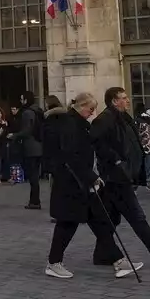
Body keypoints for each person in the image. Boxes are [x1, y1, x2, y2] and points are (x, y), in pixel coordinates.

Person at [43, 92, 139, 280]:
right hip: (71, 182)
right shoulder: (69, 124)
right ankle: (54, 263)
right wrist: (91, 177)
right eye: (90, 109)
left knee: (100, 222)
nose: (92, 113)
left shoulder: (78, 124)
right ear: (80, 106)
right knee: (67, 223)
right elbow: (71, 156)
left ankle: (119, 261)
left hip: (81, 182)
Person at [91, 87, 150, 270]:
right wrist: (116, 161)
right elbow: (97, 142)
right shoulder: (105, 119)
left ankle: (101, 253)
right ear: (114, 101)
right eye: (123, 98)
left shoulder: (124, 118)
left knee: (111, 219)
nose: (128, 101)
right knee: (137, 217)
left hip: (123, 175)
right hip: (116, 177)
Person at [13, 91, 45, 210]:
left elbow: (27, 130)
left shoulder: (27, 113)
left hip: (31, 147)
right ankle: (34, 200)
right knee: (34, 175)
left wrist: (15, 136)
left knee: (33, 176)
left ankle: (35, 201)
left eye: (22, 99)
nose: (21, 102)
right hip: (38, 146)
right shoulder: (38, 111)